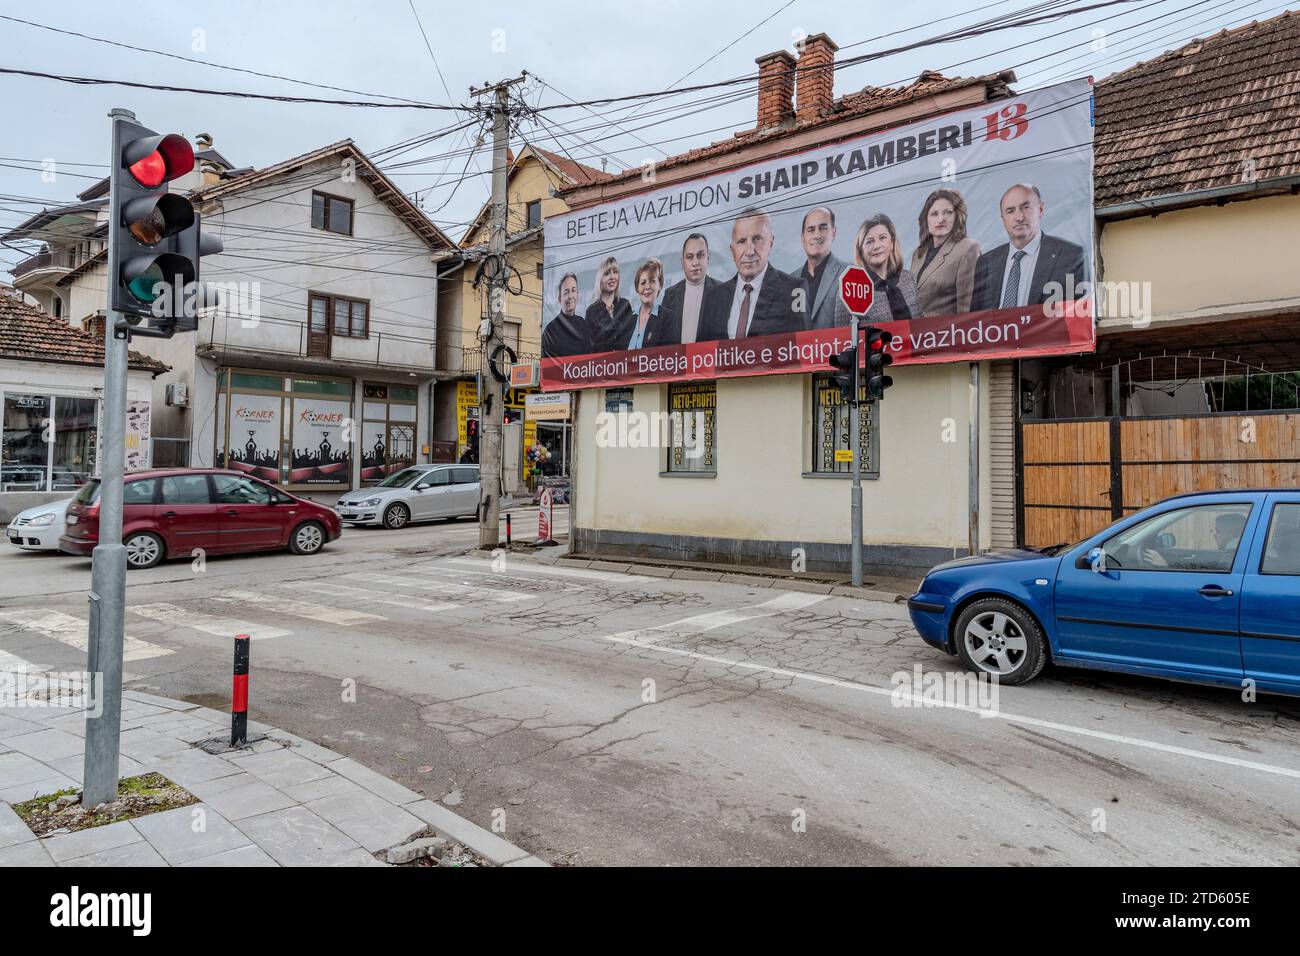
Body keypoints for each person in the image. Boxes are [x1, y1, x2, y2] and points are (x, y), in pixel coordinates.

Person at [969, 183, 1087, 312]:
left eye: (1025, 207)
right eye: (1010, 211)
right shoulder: (986, 262)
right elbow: (976, 320)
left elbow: (1076, 315)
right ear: (1003, 218)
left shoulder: (1069, 255)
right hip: (997, 332)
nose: (1019, 217)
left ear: (1040, 209)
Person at [698, 207, 808, 341]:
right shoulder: (713, 298)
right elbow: (702, 355)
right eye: (741, 242)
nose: (749, 251)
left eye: (757, 239)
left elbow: (805, 350)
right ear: (732, 250)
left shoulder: (794, 290)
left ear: (770, 244)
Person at [910, 189, 982, 317]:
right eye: (934, 214)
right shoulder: (918, 253)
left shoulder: (968, 248)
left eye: (948, 213)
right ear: (926, 219)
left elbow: (967, 310)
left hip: (949, 334)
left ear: (957, 216)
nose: (941, 219)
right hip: (918, 334)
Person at [853, 213, 920, 323]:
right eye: (869, 241)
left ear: (892, 242)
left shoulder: (910, 279)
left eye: (882, 238)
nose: (877, 246)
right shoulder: (853, 288)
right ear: (861, 250)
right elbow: (844, 337)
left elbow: (924, 325)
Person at [655, 234, 718, 346]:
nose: (695, 262)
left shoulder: (723, 292)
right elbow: (662, 338)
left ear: (708, 258)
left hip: (711, 361)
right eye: (690, 257)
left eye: (700, 255)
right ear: (682, 262)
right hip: (678, 361)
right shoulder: (670, 295)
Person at [800, 207, 853, 330]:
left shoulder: (849, 273)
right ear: (803, 238)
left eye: (823, 228)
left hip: (836, 347)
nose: (817, 235)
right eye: (811, 230)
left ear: (833, 233)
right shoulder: (789, 281)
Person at [1143, 512, 1248, 570]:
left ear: (1230, 535)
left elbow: (1206, 576)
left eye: (1218, 531)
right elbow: (1206, 566)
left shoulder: (1230, 558)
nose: (1214, 535)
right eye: (1213, 530)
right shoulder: (1238, 554)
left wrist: (1164, 566)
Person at [586, 256, 634, 353]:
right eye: (607, 273)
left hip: (625, 364)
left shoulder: (625, 305)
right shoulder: (592, 311)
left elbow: (632, 340)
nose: (612, 277)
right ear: (600, 279)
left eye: (615, 272)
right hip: (602, 365)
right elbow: (589, 348)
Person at [541, 273, 592, 357]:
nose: (570, 296)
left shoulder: (583, 324)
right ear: (559, 299)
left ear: (577, 294)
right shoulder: (550, 332)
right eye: (566, 292)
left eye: (573, 290)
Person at [623, 258, 670, 349]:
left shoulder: (667, 317)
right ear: (637, 288)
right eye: (643, 283)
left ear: (660, 285)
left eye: (652, 281)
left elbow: (670, 355)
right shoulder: (629, 319)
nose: (647, 286)